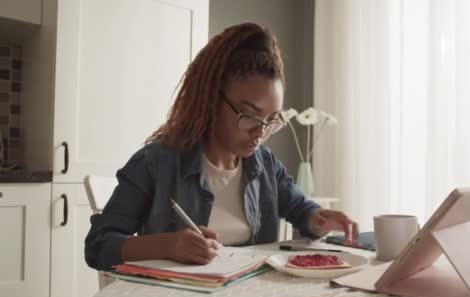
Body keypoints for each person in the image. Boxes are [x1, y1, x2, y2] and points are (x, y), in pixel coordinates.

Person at [85, 23, 359, 271]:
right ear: (210, 99)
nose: (260, 132)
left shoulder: (265, 165)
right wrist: (168, 246)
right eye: (249, 116)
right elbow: (98, 245)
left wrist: (318, 219)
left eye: (271, 119)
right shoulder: (156, 163)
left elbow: (300, 209)